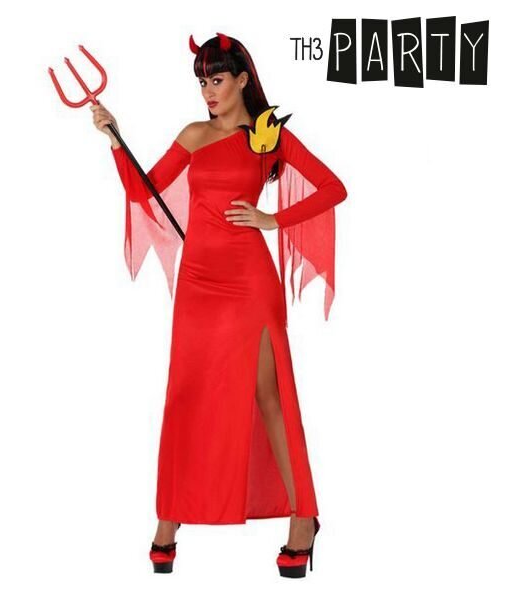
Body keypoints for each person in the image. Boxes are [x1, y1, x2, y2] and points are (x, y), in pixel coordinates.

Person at [91, 32, 347, 577]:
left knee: (267, 396)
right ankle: (169, 520)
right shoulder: (193, 134)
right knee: (184, 394)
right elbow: (142, 191)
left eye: (218, 79)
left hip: (249, 281)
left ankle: (303, 518)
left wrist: (273, 219)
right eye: (203, 81)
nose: (208, 90)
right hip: (199, 283)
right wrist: (115, 140)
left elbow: (333, 188)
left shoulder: (269, 136)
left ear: (242, 80)